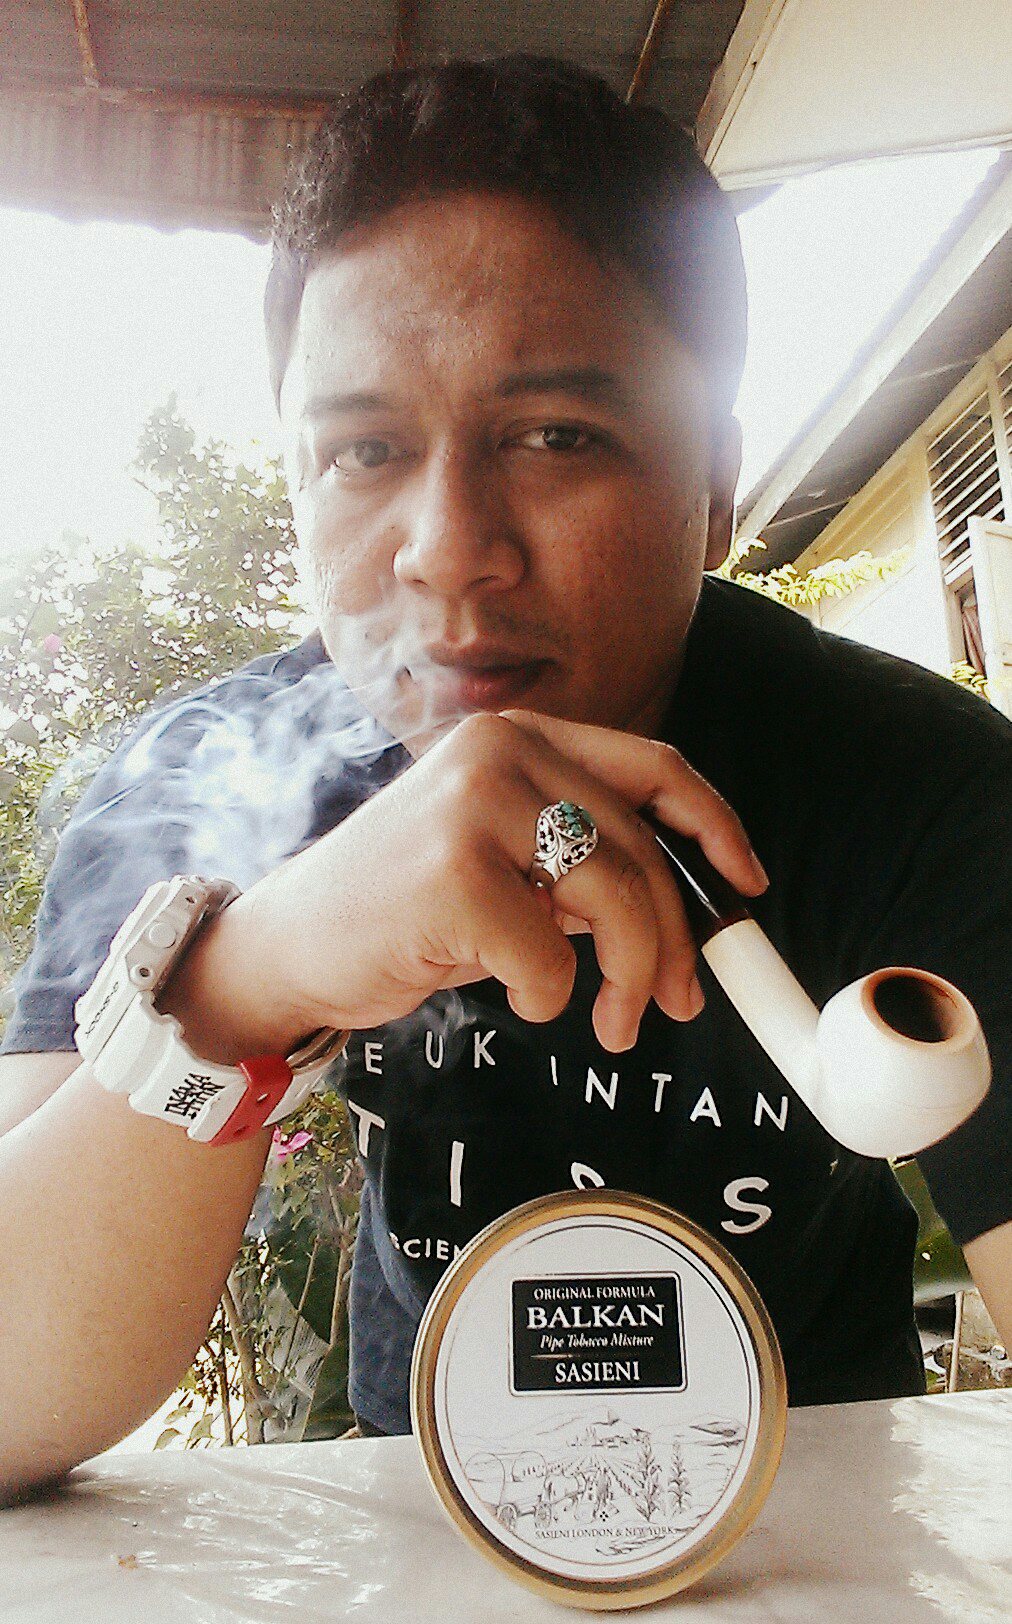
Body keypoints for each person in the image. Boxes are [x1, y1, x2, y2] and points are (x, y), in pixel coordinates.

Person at [1, 55, 1009, 1489]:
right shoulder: (201, 786)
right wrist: (248, 978)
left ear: (714, 487)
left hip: (825, 1517)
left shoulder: (920, 787)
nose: (448, 550)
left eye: (555, 436)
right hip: (411, 1519)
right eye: (362, 451)